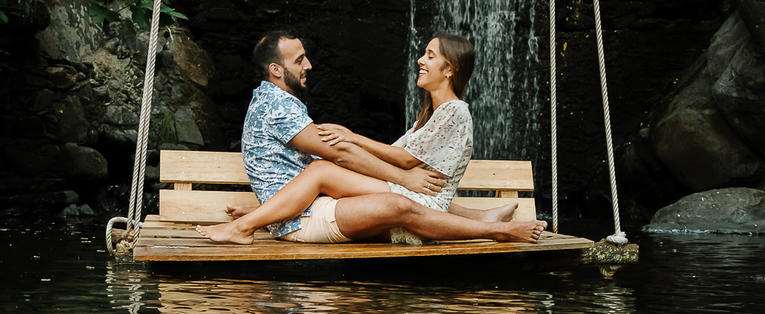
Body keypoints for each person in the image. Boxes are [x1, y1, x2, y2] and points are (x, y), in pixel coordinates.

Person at [196, 32, 547, 246]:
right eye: (300, 59)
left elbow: (384, 160)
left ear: (450, 68)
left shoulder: (271, 100)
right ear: (277, 69)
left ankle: (484, 221)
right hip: (302, 215)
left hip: (306, 208)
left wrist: (360, 145)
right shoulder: (279, 107)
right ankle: (492, 228)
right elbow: (354, 156)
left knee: (335, 174)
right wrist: (389, 166)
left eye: (430, 55)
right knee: (334, 175)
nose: (310, 66)